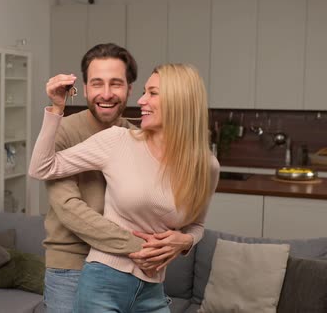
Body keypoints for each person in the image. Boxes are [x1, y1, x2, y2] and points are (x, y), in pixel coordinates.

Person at [29, 63, 220, 312]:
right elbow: (41, 168)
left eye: (152, 93)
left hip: (153, 289)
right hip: (103, 282)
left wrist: (185, 240)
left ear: (179, 101)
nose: (141, 100)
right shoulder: (118, 140)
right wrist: (56, 108)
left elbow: (197, 226)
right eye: (143, 91)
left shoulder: (207, 166)